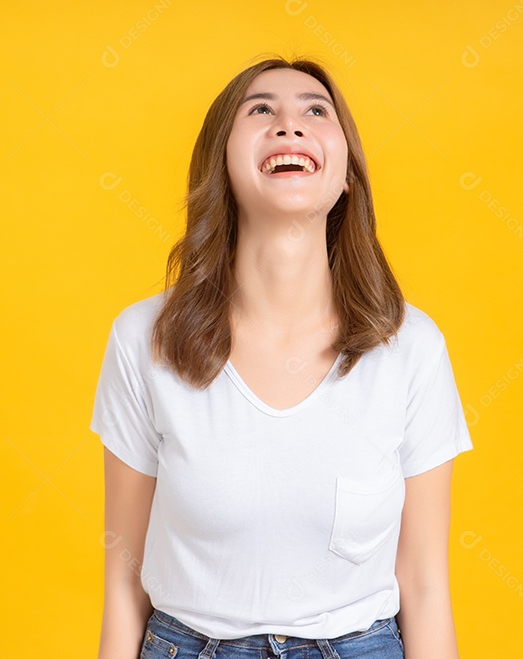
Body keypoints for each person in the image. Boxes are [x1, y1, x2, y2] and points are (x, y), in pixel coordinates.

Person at [90, 54, 474, 659]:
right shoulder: (144, 338)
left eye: (316, 112)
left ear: (347, 176)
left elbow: (425, 587)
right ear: (221, 162)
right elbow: (123, 579)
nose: (289, 124)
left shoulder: (411, 348)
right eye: (261, 110)